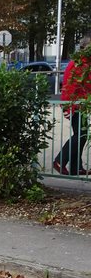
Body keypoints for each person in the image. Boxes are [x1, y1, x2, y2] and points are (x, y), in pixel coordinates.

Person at [53, 34, 91, 176]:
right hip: (75, 103)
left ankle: (76, 167)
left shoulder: (80, 62)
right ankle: (59, 160)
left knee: (81, 134)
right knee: (81, 134)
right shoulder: (81, 64)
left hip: (76, 103)